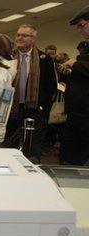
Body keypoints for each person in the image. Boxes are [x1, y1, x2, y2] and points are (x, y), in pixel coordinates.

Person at [5, 24, 57, 162]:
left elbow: (51, 86)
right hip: (12, 108)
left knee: (33, 148)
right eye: (18, 35)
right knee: (11, 144)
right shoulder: (9, 57)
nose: (20, 38)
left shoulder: (44, 59)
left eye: (24, 35)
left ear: (33, 39)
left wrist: (43, 107)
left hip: (35, 108)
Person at [60, 8, 89, 165]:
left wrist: (75, 64)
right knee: (71, 157)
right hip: (77, 113)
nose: (79, 29)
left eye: (82, 25)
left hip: (86, 116)